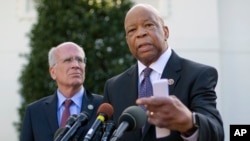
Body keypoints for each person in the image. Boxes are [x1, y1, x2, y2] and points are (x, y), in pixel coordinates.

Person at [103, 3, 224, 141]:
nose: (140, 33)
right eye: (132, 30)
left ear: (165, 32)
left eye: (149, 25)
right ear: (127, 41)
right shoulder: (114, 86)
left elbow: (216, 133)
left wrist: (189, 123)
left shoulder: (198, 75)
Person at [20, 42, 103, 141]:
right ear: (53, 72)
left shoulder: (103, 106)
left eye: (80, 60)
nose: (76, 65)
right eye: (68, 60)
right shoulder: (34, 112)